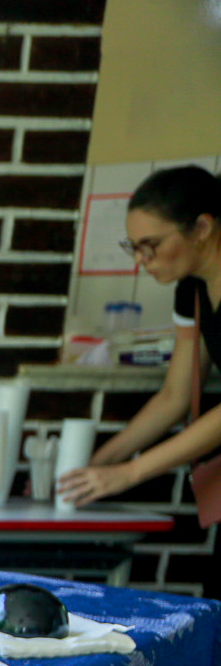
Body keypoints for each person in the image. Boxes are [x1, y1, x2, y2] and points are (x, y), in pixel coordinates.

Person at [58, 166, 221, 524]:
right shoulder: (192, 290)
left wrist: (130, 473)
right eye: (133, 247)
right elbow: (173, 397)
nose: (139, 260)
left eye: (151, 246)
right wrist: (95, 465)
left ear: (202, 229)